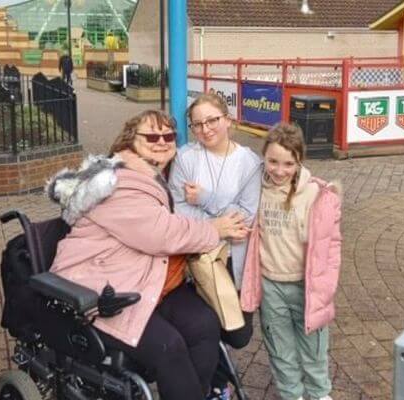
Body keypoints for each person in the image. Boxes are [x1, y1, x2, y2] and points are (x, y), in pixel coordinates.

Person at [47, 110, 249, 400]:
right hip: (104, 288)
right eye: (152, 136)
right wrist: (215, 229)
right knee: (170, 347)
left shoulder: (154, 175)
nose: (162, 141)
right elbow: (160, 233)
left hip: (146, 277)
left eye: (168, 136)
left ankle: (200, 393)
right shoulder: (119, 181)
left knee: (205, 325)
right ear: (130, 139)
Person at [168, 93, 262, 399]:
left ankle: (211, 377)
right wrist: (217, 227)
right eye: (197, 125)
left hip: (237, 256)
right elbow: (178, 211)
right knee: (207, 327)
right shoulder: (186, 157)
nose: (205, 129)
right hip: (199, 259)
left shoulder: (249, 162)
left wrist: (206, 199)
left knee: (238, 334)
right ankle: (216, 384)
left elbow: (246, 214)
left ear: (228, 120)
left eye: (212, 120)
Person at [240, 122, 342, 400]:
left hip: (306, 287)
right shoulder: (255, 190)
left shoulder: (316, 195)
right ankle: (291, 394)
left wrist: (328, 284)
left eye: (288, 163)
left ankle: (320, 393)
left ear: (299, 162)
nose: (279, 170)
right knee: (279, 347)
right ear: (264, 158)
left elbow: (332, 244)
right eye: (272, 161)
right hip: (271, 285)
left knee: (314, 348)